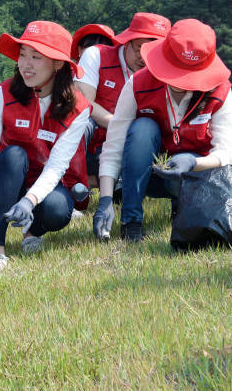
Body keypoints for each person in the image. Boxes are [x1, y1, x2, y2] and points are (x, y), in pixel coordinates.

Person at [93, 19, 232, 242]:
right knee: (142, 128)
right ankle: (131, 221)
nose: (180, 80)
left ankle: (184, 209)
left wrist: (194, 163)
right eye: (175, 71)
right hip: (150, 174)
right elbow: (114, 145)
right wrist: (106, 200)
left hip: (199, 176)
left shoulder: (221, 92)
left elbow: (226, 152)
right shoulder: (138, 83)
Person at [0, 21, 91, 271]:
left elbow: (57, 167)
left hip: (45, 182)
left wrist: (29, 201)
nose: (25, 64)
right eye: (23, 54)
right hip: (6, 178)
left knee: (58, 210)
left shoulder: (78, 109)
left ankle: (32, 231)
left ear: (57, 63)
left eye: (36, 57)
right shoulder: (1, 96)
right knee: (14, 155)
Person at [75, 13, 171, 188]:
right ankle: (71, 189)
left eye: (153, 51)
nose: (144, 57)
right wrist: (120, 124)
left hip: (130, 148)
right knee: (79, 120)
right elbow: (83, 101)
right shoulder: (96, 55)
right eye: (139, 48)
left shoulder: (164, 73)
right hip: (92, 143)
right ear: (127, 42)